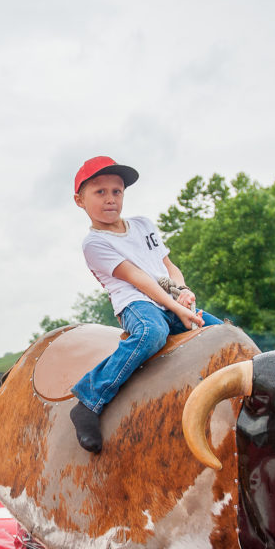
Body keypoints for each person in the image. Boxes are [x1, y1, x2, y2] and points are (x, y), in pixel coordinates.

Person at [69, 156, 223, 453]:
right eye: (99, 192)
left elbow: (167, 266)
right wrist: (177, 308)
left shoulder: (143, 225)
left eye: (117, 191)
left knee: (220, 333)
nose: (110, 199)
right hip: (138, 303)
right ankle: (89, 401)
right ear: (80, 200)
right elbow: (140, 279)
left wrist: (184, 292)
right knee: (151, 333)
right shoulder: (95, 243)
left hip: (168, 299)